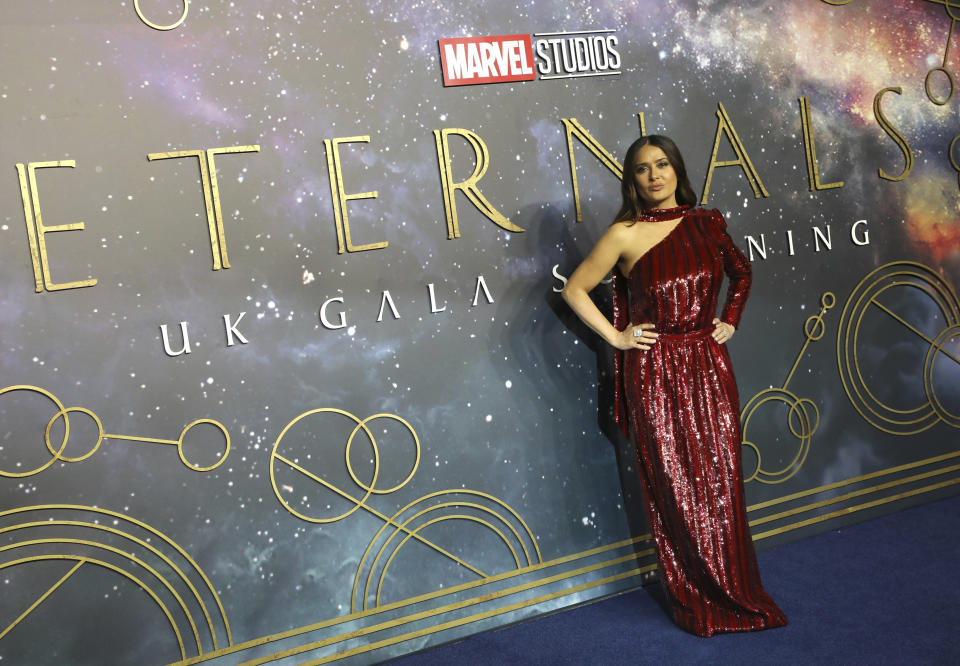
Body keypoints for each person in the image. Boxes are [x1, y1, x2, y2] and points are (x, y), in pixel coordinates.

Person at [561, 135, 787, 636]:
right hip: (656, 374)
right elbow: (575, 289)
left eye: (662, 164)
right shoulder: (623, 234)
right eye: (642, 169)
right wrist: (617, 338)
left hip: (708, 365)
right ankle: (697, 597)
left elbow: (742, 271)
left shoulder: (707, 223)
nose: (654, 175)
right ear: (632, 179)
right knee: (676, 489)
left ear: (677, 169)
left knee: (721, 481)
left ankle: (736, 591)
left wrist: (729, 317)